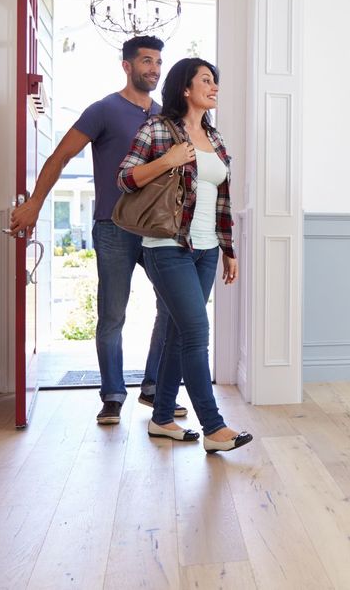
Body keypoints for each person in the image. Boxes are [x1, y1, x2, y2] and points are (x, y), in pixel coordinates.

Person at [10, 35, 187, 425]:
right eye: (146, 61)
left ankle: (155, 387)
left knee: (173, 308)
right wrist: (35, 203)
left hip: (158, 230)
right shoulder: (104, 110)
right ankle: (112, 395)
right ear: (127, 65)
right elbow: (60, 156)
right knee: (112, 314)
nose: (154, 69)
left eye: (158, 62)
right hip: (113, 226)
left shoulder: (164, 117)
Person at [117, 57, 252, 453]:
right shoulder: (157, 129)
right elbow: (124, 178)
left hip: (207, 250)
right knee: (196, 334)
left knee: (178, 334)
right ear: (185, 89)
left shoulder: (216, 137)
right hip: (167, 247)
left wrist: (229, 250)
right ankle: (213, 427)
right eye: (207, 81)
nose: (214, 88)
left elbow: (223, 200)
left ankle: (161, 419)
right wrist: (167, 159)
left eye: (216, 81)